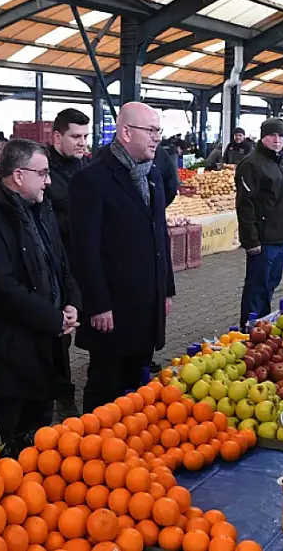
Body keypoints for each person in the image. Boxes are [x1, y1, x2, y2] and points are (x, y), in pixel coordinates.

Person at [0, 139, 80, 453]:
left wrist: (71, 302)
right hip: (7, 356)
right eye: (42, 173)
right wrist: (53, 319)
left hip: (44, 348)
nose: (49, 180)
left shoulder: (40, 211)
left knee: (36, 438)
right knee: (0, 440)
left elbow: (61, 263)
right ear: (18, 175)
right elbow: (3, 289)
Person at [69, 102, 175, 412]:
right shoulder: (92, 180)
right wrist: (98, 303)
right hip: (113, 306)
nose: (157, 138)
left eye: (158, 131)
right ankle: (94, 444)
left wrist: (166, 287)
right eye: (151, 131)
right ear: (125, 132)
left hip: (148, 300)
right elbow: (84, 249)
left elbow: (160, 234)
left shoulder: (152, 175)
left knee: (138, 380)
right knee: (106, 383)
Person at [44, 108, 89, 415]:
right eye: (75, 136)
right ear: (58, 136)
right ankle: (62, 393)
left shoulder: (86, 166)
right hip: (56, 265)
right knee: (58, 334)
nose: (82, 142)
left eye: (85, 136)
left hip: (83, 263)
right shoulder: (44, 171)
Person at [235, 118, 283, 328]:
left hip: (282, 237)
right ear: (263, 137)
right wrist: (251, 240)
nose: (277, 140)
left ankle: (262, 327)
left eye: (281, 136)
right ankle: (250, 328)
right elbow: (245, 205)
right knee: (257, 287)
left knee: (270, 284)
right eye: (272, 135)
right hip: (263, 240)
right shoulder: (252, 164)